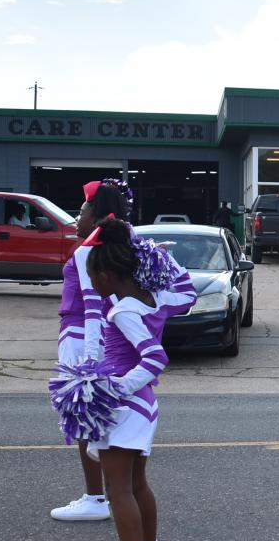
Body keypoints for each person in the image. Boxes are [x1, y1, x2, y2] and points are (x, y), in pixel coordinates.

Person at [51, 179, 196, 523]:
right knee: (106, 433)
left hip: (86, 340)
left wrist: (87, 364)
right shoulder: (133, 244)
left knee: (88, 418)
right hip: (102, 340)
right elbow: (187, 292)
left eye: (83, 210)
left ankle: (95, 497)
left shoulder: (94, 249)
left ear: (99, 214)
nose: (76, 217)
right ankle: (105, 501)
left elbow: (91, 308)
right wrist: (155, 307)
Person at [81, 218, 171, 541]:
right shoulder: (145, 298)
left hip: (126, 405)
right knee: (135, 483)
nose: (93, 286)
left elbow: (154, 358)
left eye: (93, 278)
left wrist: (114, 388)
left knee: (118, 489)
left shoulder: (122, 311)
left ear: (104, 274)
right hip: (143, 405)